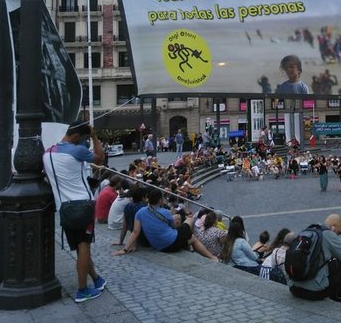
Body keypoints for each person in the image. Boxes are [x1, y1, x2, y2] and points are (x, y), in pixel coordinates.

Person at [42, 121, 107, 303]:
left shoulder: (48, 153)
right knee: (84, 246)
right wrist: (94, 136)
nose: (83, 142)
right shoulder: (77, 151)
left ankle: (96, 278)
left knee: (80, 246)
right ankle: (82, 290)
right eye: (84, 138)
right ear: (77, 136)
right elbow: (100, 158)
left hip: (64, 207)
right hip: (82, 205)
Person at [288, 213, 341, 311]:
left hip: (294, 288)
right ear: (333, 227)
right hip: (311, 292)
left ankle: (339, 301)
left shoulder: (310, 231)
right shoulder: (328, 234)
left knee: (334, 265)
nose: (338, 236)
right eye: (339, 232)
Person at [112, 188, 217, 258]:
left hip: (159, 246)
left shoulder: (140, 212)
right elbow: (172, 227)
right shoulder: (165, 212)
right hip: (171, 242)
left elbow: (135, 232)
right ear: (160, 200)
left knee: (189, 236)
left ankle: (194, 246)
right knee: (190, 220)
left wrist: (124, 250)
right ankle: (212, 257)